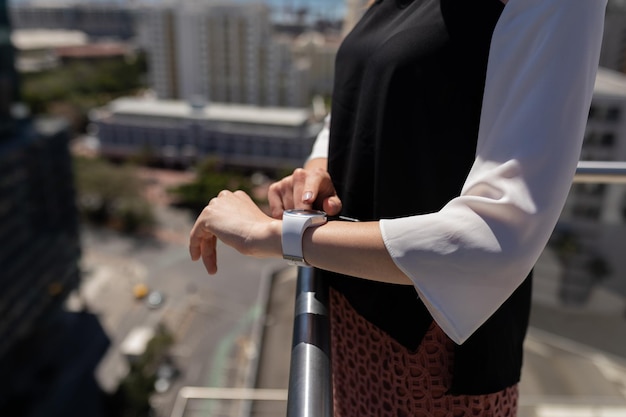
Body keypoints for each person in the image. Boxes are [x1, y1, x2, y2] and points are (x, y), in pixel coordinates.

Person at [189, 0, 607, 415]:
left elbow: (498, 236)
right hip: (350, 310)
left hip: (433, 358)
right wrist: (318, 168)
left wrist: (271, 235)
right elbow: (364, 90)